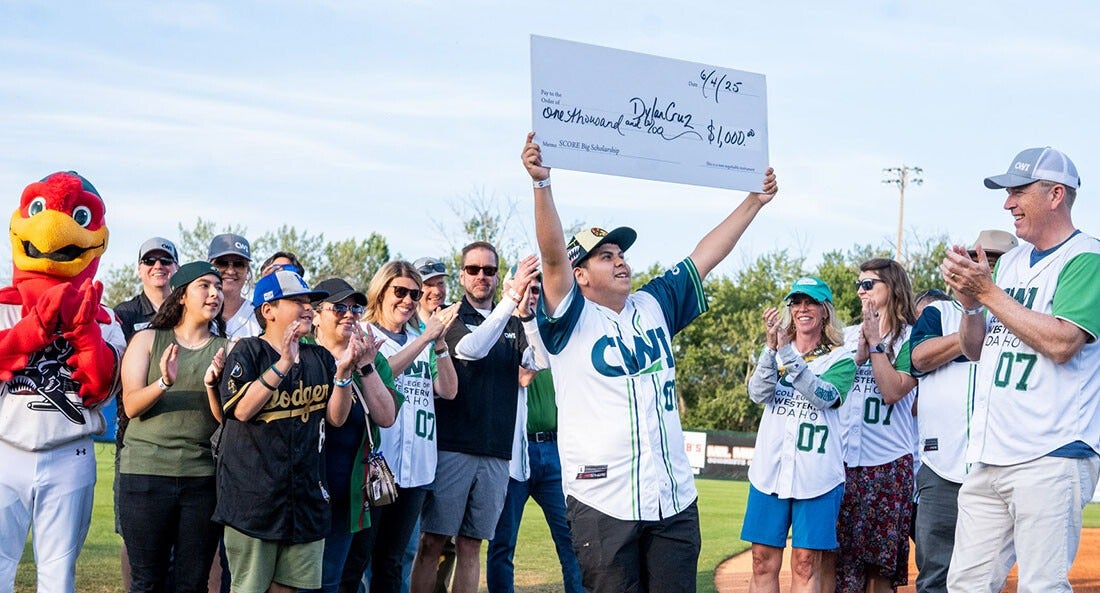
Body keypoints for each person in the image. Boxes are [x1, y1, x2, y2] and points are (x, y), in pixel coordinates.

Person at [521, 131, 778, 593]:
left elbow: (704, 256)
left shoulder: (653, 304)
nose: (621, 262)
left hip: (672, 498)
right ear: (580, 275)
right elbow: (553, 257)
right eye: (606, 256)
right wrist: (542, 185)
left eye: (621, 254)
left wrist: (753, 202)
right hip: (603, 501)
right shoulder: (568, 319)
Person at [941, 147, 1100, 593]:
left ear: (1055, 195)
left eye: (1018, 191)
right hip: (991, 455)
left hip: (1052, 453)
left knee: (1041, 586)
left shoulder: (1086, 257)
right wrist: (971, 305)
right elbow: (974, 350)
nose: (1007, 203)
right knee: (966, 584)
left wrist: (987, 293)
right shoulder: (1009, 263)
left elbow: (1063, 342)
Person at [213, 269, 357, 593]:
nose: (308, 308)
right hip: (254, 503)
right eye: (297, 301)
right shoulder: (248, 351)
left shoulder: (319, 357)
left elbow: (336, 418)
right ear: (269, 310)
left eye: (309, 302)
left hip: (305, 499)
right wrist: (282, 364)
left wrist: (344, 374)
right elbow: (241, 410)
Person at [409, 248, 541, 593]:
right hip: (453, 446)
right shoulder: (450, 316)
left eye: (489, 270)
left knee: (472, 545)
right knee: (433, 542)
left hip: (497, 451)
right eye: (473, 269)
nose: (481, 275)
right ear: (463, 275)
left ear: (498, 275)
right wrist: (511, 300)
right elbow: (472, 349)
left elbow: (539, 361)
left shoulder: (514, 321)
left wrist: (526, 316)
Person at [909, 230, 1016, 593]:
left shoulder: (1022, 312)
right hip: (943, 464)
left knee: (984, 575)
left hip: (1002, 460)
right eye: (980, 257)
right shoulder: (940, 311)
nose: (987, 265)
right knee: (935, 572)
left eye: (997, 259)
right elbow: (918, 358)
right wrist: (973, 328)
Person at [343, 261, 459, 593]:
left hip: (416, 467)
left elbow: (448, 390)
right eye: (400, 291)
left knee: (391, 562)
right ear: (381, 291)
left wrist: (439, 343)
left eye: (414, 293)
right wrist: (424, 339)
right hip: (376, 466)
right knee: (359, 559)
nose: (408, 300)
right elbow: (380, 373)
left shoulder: (420, 338)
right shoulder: (364, 333)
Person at [118, 261, 228, 593]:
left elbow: (227, 420)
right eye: (205, 286)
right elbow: (132, 405)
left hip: (202, 481)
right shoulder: (147, 340)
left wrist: (212, 385)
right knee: (147, 582)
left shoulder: (228, 349)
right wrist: (164, 382)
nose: (215, 294)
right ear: (181, 295)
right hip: (145, 477)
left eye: (219, 287)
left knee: (192, 584)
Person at [744, 277, 856, 593]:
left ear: (824, 311)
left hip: (817, 476)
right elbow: (757, 393)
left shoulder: (840, 358)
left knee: (806, 563)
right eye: (796, 302)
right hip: (770, 472)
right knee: (761, 560)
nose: (802, 308)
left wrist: (789, 358)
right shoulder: (776, 350)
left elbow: (823, 396)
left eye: (811, 302)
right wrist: (770, 349)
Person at [487, 270, 584, 593]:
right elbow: (522, 376)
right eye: (526, 289)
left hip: (553, 451)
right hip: (513, 452)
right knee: (503, 545)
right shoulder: (499, 331)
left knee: (571, 541)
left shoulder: (548, 332)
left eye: (537, 290)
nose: (532, 295)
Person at [831, 258, 918, 593]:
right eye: (859, 284)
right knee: (842, 567)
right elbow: (833, 389)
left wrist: (876, 345)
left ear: (892, 288)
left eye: (869, 284)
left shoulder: (912, 336)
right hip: (844, 463)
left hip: (888, 466)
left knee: (880, 569)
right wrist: (857, 351)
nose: (860, 290)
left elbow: (894, 390)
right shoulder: (847, 336)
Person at [311, 277, 399, 593]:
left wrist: (365, 366)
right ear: (316, 314)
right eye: (338, 307)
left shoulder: (374, 360)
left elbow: (386, 417)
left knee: (332, 583)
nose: (349, 314)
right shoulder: (299, 354)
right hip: (299, 491)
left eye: (354, 308)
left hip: (346, 494)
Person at [111, 236, 180, 591]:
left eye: (165, 260)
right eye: (150, 261)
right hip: (134, 437)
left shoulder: (189, 311)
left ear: (175, 269)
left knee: (182, 540)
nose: (158, 266)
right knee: (133, 534)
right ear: (139, 269)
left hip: (184, 437)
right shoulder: (123, 315)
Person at [208, 233, 261, 339]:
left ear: (247, 271)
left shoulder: (260, 315)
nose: (231, 271)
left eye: (239, 264)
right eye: (222, 263)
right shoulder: (195, 313)